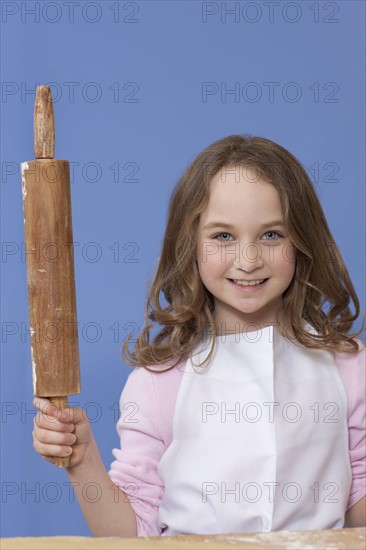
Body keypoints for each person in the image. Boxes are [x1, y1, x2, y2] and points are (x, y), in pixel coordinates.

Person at [33, 134, 366, 537]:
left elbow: (357, 511)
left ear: (302, 240)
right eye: (222, 236)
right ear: (189, 244)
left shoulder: (348, 366)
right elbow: (132, 537)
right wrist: (82, 461)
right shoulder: (157, 384)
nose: (248, 260)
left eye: (272, 234)